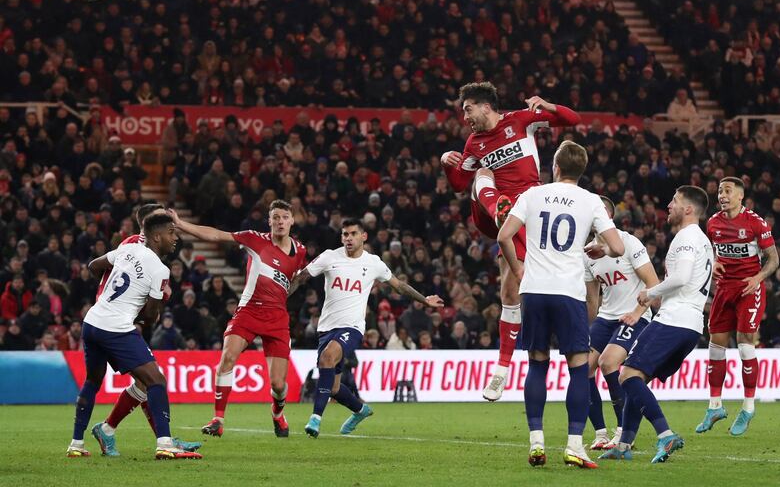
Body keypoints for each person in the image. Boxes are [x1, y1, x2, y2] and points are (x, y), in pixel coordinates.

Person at [441, 82, 580, 401]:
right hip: (493, 212)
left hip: (529, 212)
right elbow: (460, 184)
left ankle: (501, 371)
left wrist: (547, 105)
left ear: (485, 106)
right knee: (481, 173)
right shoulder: (474, 144)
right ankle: (499, 210)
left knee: (510, 291)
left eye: (468, 109)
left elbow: (572, 120)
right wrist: (448, 165)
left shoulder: (521, 120)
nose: (466, 117)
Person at [498, 140, 625, 469]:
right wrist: (598, 247)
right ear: (581, 172)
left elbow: (503, 236)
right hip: (569, 292)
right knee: (579, 368)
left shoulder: (533, 194)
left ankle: (536, 442)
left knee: (537, 364)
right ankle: (573, 446)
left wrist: (517, 268)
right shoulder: (590, 200)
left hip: (534, 290)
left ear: (555, 166)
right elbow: (617, 247)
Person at [288, 219, 443, 437]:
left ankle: (315, 418)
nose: (348, 238)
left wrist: (424, 300)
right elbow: (302, 277)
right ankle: (361, 410)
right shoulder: (329, 256)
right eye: (344, 234)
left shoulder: (374, 263)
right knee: (332, 386)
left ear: (363, 236)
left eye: (352, 234)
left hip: (352, 328)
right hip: (326, 328)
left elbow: (399, 286)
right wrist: (280, 299)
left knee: (326, 359)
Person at [67, 213, 202, 460]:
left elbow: (94, 266)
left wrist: (109, 294)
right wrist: (147, 312)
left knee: (94, 381)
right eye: (172, 233)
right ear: (157, 236)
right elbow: (151, 316)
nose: (176, 238)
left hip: (92, 321)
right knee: (156, 381)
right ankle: (165, 444)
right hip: (115, 327)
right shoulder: (160, 269)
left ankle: (76, 444)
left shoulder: (126, 249)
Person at [169, 200, 306, 438]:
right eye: (275, 217)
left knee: (277, 384)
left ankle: (277, 414)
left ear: (292, 221)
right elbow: (215, 236)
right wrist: (181, 224)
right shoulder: (256, 239)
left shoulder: (300, 251)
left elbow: (292, 281)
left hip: (277, 318)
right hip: (250, 310)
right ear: (269, 221)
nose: (280, 222)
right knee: (227, 358)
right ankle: (218, 419)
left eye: (284, 217)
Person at [600, 186, 713, 464]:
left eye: (675, 201)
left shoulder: (687, 237)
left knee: (627, 375)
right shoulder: (701, 239)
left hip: (675, 319)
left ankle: (665, 434)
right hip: (691, 324)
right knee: (635, 381)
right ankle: (624, 445)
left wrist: (651, 293)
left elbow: (683, 276)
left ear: (688, 209)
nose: (669, 205)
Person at [696, 177, 779, 436]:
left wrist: (757, 278)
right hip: (724, 290)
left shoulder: (755, 222)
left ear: (740, 196)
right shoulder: (712, 223)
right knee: (715, 346)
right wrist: (714, 260)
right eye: (720, 190)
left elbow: (773, 259)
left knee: (745, 345)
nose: (722, 195)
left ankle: (748, 406)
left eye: (727, 191)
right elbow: (713, 250)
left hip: (748, 288)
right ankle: (715, 407)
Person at [584, 196, 659, 450]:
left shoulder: (628, 242)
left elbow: (654, 284)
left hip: (634, 315)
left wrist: (638, 312)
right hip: (606, 318)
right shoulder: (587, 254)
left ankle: (623, 431)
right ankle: (601, 433)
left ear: (609, 217)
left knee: (608, 362)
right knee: (581, 369)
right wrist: (587, 329)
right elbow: (592, 299)